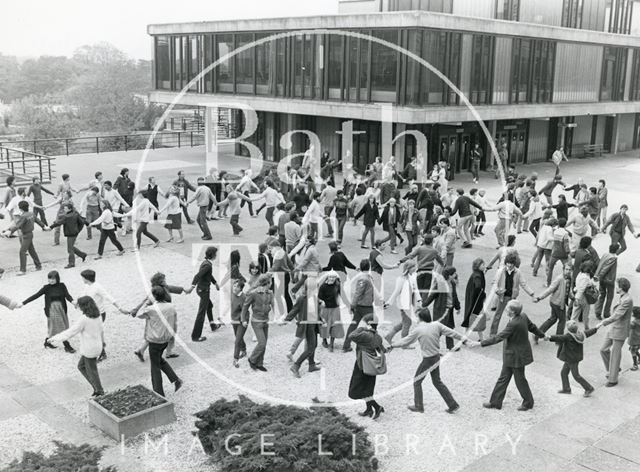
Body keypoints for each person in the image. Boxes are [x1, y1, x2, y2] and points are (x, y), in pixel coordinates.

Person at [393, 307, 469, 413]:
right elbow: (452, 332)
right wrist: (463, 339)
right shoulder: (437, 325)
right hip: (436, 357)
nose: (416, 318)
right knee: (437, 381)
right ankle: (452, 404)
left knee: (417, 381)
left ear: (421, 317)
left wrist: (392, 345)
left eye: (417, 316)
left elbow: (405, 342)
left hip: (427, 360)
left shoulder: (418, 329)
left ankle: (419, 406)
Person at [481, 300, 546, 411]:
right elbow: (532, 327)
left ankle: (528, 403)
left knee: (520, 380)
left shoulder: (513, 324)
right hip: (514, 355)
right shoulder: (523, 316)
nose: (506, 308)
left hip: (516, 356)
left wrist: (480, 343)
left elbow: (499, 337)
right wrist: (542, 335)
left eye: (507, 307)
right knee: (503, 378)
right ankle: (496, 402)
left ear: (512, 312)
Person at [49, 296, 105, 396]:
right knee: (81, 366)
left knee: (92, 371)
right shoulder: (98, 315)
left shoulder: (84, 319)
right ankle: (96, 388)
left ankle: (99, 391)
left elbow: (71, 332)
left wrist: (55, 338)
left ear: (83, 307)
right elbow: (101, 330)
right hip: (97, 346)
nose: (78, 307)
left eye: (79, 306)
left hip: (89, 349)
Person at [135, 286, 183, 397]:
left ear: (155, 296)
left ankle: (159, 392)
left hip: (154, 340)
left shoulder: (151, 309)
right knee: (159, 360)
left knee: (155, 367)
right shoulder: (171, 306)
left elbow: (139, 315)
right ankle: (175, 380)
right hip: (165, 339)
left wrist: (147, 303)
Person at [79, 269, 129, 361]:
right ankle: (97, 350)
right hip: (89, 313)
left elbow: (109, 297)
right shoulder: (87, 286)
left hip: (98, 314)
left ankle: (102, 352)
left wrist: (120, 308)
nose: (82, 279)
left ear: (86, 278)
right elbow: (83, 296)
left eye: (82, 277)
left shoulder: (97, 287)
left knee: (97, 333)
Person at [22, 270, 75, 352]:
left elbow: (67, 295)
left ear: (57, 278)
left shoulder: (62, 286)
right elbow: (36, 295)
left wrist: (73, 301)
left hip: (61, 309)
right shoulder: (46, 288)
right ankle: (67, 346)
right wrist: (23, 303)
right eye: (49, 279)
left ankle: (47, 341)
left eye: (53, 279)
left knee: (55, 328)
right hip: (52, 311)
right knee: (61, 328)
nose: (51, 280)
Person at [347, 314, 386, 419]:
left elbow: (351, 335)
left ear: (368, 323)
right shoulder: (377, 336)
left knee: (356, 390)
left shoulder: (365, 335)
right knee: (368, 389)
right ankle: (369, 410)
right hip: (372, 366)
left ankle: (377, 407)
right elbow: (382, 349)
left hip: (362, 365)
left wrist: (362, 327)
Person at [486, 253, 535, 335]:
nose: (509, 265)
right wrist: (497, 290)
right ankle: (493, 333)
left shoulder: (518, 272)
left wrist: (531, 293)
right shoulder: (501, 271)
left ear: (514, 264)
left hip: (512, 297)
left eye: (511, 263)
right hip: (503, 296)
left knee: (513, 316)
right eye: (508, 263)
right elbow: (494, 282)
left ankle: (510, 332)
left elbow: (524, 284)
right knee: (498, 315)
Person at [597, 277, 633, 387]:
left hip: (620, 330)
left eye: (617, 286)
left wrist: (603, 323)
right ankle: (614, 368)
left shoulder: (627, 300)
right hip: (614, 328)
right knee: (603, 349)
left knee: (615, 354)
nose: (615, 287)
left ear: (621, 288)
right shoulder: (623, 297)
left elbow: (617, 315)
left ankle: (613, 379)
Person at [548, 320, 597, 397]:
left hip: (571, 359)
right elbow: (588, 333)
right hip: (573, 358)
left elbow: (559, 337)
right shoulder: (580, 334)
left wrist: (549, 337)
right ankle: (566, 389)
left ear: (568, 329)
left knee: (576, 376)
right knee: (564, 373)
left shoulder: (568, 336)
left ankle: (589, 388)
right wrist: (596, 328)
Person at [283, 284, 322, 378]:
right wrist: (286, 319)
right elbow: (294, 310)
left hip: (314, 325)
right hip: (306, 326)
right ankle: (296, 366)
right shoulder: (301, 299)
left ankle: (311, 365)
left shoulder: (315, 298)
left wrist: (321, 319)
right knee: (310, 348)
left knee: (314, 345)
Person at [1, 200, 46, 275]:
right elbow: (38, 221)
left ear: (20, 208)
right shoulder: (31, 213)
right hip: (30, 234)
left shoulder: (23, 216)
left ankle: (23, 270)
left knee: (22, 252)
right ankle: (38, 265)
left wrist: (10, 231)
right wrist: (44, 226)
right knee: (31, 250)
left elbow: (17, 225)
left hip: (25, 235)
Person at [242, 274, 274, 372]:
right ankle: (252, 359)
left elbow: (273, 305)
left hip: (265, 321)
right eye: (270, 281)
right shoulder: (253, 293)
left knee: (264, 343)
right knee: (262, 343)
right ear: (268, 283)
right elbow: (245, 306)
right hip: (256, 322)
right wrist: (243, 319)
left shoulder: (270, 293)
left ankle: (260, 363)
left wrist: (278, 317)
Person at [385, 260, 420, 345]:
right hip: (404, 304)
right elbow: (396, 292)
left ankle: (389, 336)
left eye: (415, 266)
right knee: (407, 323)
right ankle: (404, 344)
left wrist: (419, 300)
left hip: (409, 304)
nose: (415, 268)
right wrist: (389, 303)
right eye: (413, 267)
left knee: (405, 322)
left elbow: (416, 289)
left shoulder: (413, 276)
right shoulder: (401, 279)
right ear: (408, 268)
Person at [189, 246, 220, 342]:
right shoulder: (208, 265)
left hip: (201, 290)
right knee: (201, 313)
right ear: (213, 255)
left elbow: (208, 275)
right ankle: (195, 336)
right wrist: (191, 287)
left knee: (209, 305)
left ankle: (213, 325)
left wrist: (215, 283)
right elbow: (198, 276)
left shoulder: (205, 263)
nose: (216, 255)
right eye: (216, 254)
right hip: (204, 291)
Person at [534, 263, 571, 339]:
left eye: (569, 270)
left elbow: (567, 291)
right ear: (563, 270)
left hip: (559, 302)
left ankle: (538, 334)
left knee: (553, 319)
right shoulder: (559, 279)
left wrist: (573, 298)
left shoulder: (568, 278)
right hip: (557, 303)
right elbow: (550, 289)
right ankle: (559, 339)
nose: (568, 271)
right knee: (562, 321)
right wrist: (539, 297)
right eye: (566, 269)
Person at [49, 202, 88, 269]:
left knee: (70, 249)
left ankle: (71, 263)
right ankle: (82, 255)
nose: (64, 209)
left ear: (69, 209)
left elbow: (59, 222)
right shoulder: (75, 213)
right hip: (75, 232)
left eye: (65, 208)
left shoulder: (66, 217)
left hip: (70, 234)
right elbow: (82, 220)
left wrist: (50, 227)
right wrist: (85, 225)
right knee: (71, 247)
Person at [317, 271, 345, 352]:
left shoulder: (337, 286)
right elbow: (319, 298)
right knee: (324, 326)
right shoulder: (323, 287)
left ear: (336, 278)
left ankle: (331, 344)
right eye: (330, 277)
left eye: (333, 277)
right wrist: (322, 302)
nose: (332, 279)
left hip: (335, 308)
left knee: (335, 326)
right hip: (325, 309)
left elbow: (342, 295)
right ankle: (324, 340)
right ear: (327, 278)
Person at [462, 258, 487, 340]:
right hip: (475, 300)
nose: (484, 266)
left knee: (470, 317)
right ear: (478, 266)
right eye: (483, 265)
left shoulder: (477, 273)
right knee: (474, 317)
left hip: (473, 299)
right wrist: (483, 294)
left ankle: (466, 337)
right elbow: (478, 286)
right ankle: (479, 338)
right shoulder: (477, 275)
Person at [594, 243, 619, 320]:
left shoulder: (605, 254)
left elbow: (601, 265)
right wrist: (599, 276)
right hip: (609, 280)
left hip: (602, 279)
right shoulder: (613, 258)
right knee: (610, 296)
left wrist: (597, 276)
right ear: (617, 250)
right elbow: (605, 268)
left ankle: (598, 312)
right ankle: (606, 313)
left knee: (602, 295)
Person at [572, 261, 595, 330]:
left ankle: (570, 327)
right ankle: (586, 327)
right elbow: (582, 289)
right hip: (583, 297)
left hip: (577, 294)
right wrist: (577, 299)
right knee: (585, 313)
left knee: (575, 314)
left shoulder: (580, 274)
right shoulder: (585, 277)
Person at [230, 279, 248, 368]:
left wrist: (244, 320)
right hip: (234, 320)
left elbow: (244, 311)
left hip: (242, 321)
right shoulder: (232, 294)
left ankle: (235, 359)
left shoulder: (244, 298)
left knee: (237, 340)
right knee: (239, 338)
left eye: (237, 286)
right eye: (234, 286)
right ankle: (244, 350)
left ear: (241, 288)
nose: (234, 288)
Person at [629, 307, 640, 371]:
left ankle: (635, 365)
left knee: (633, 351)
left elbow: (629, 326)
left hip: (634, 340)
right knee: (636, 350)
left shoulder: (634, 323)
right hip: (639, 340)